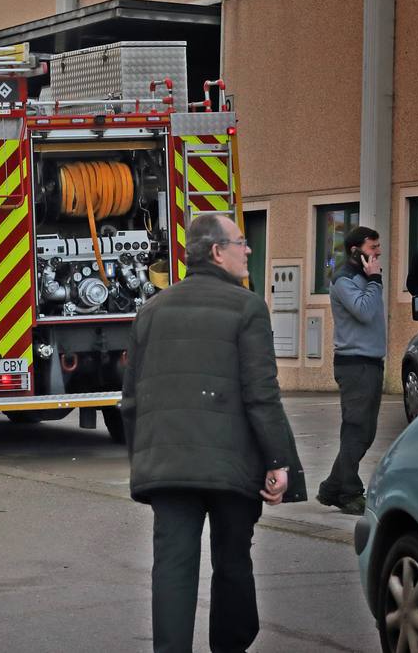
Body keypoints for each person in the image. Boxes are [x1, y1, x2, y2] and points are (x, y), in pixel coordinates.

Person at [121, 213, 303, 653]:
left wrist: (144, 457)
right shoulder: (247, 307)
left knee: (172, 566)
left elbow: (130, 400)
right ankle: (230, 644)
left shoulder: (151, 309)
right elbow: (261, 394)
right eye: (241, 242)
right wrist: (279, 462)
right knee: (233, 561)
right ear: (217, 252)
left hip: (168, 466)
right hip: (231, 464)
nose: (249, 250)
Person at [317, 225, 385, 516]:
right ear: (356, 251)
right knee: (357, 430)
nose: (378, 253)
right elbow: (364, 311)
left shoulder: (361, 277)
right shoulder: (344, 280)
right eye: (373, 248)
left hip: (369, 361)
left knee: (364, 431)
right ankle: (348, 492)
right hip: (354, 364)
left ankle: (333, 487)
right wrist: (375, 280)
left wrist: (372, 280)